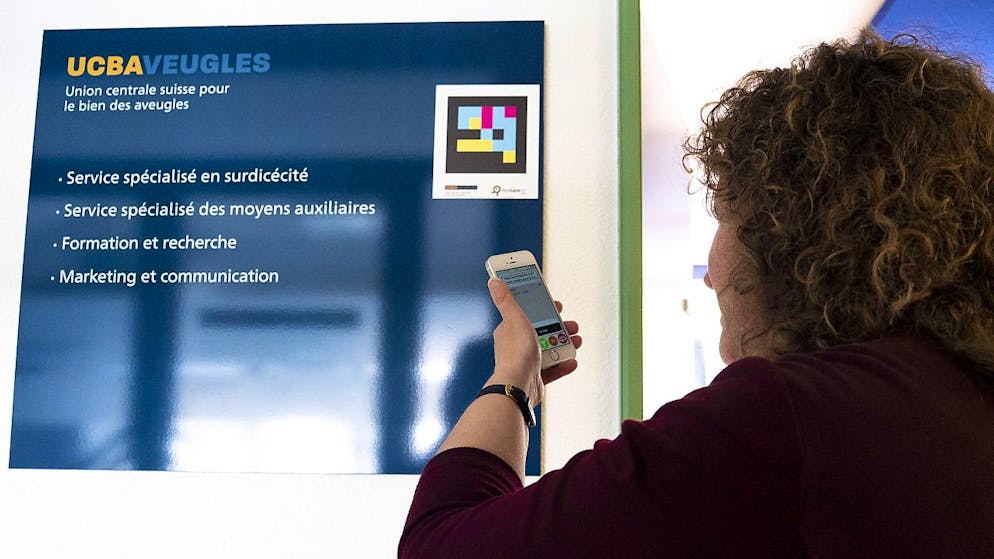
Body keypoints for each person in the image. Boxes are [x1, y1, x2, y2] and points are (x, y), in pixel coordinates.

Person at [399, 30, 994, 558]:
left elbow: (440, 546)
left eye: (724, 217)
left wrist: (512, 379)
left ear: (791, 235)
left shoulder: (777, 422)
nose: (710, 274)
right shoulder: (961, 394)